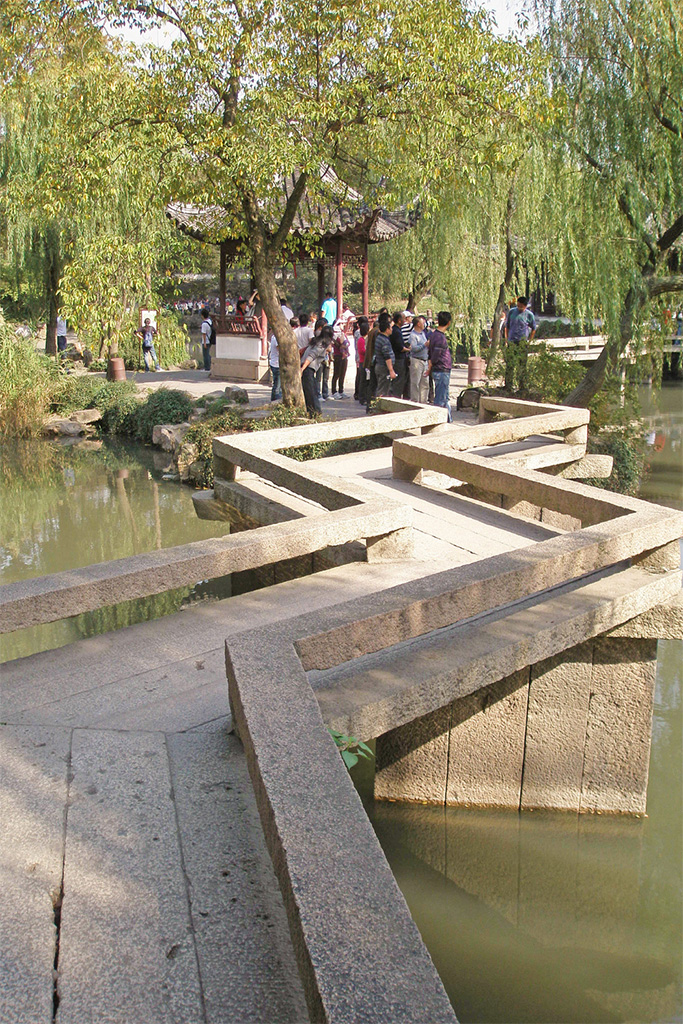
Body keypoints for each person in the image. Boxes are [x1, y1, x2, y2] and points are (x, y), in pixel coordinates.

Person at [504, 296, 536, 390]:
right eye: (518, 306)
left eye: (521, 306)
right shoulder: (512, 312)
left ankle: (522, 386)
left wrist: (529, 340)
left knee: (522, 365)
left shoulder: (529, 315)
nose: (519, 308)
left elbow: (533, 328)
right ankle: (508, 385)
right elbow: (507, 326)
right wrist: (507, 338)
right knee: (510, 364)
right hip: (512, 341)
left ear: (525, 306)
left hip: (522, 342)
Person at [301, 327, 333, 416]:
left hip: (307, 367)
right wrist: (302, 368)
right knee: (311, 393)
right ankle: (315, 412)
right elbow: (311, 356)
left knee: (312, 391)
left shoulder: (316, 341)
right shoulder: (321, 344)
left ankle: (314, 411)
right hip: (308, 368)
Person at [428, 311, 453, 421]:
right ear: (448, 323)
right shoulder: (440, 338)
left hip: (441, 369)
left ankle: (448, 418)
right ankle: (438, 420)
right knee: (441, 397)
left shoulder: (434, 335)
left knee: (445, 395)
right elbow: (435, 355)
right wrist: (431, 365)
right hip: (441, 369)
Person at [374, 312, 399, 397]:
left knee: (383, 388)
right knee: (383, 390)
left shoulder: (379, 338)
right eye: (391, 328)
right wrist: (391, 370)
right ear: (387, 329)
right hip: (383, 367)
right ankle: (377, 407)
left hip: (380, 366)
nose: (392, 329)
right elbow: (387, 356)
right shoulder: (384, 341)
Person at [408, 316, 430, 403]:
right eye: (423, 322)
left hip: (425, 360)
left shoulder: (422, 333)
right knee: (415, 382)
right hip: (416, 360)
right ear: (418, 324)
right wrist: (424, 345)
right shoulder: (413, 335)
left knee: (425, 383)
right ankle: (415, 401)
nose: (424, 324)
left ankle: (423, 401)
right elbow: (413, 348)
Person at [390, 312, 410, 397]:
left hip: (398, 358)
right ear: (399, 320)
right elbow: (400, 347)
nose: (405, 321)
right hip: (398, 358)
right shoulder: (396, 331)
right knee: (399, 380)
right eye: (403, 318)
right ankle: (396, 397)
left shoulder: (396, 330)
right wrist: (408, 349)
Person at [331, 323, 350, 399]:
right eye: (340, 323)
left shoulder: (343, 334)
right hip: (337, 355)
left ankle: (341, 390)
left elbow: (347, 343)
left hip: (344, 355)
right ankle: (334, 391)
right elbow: (340, 343)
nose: (342, 325)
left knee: (342, 373)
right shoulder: (334, 336)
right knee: (337, 373)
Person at [354, 317, 369, 403]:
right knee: (362, 378)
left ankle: (361, 395)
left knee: (363, 378)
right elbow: (361, 350)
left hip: (362, 360)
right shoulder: (360, 338)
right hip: (362, 360)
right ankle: (360, 395)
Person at [269, 332, 281, 401]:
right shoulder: (276, 338)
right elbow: (279, 349)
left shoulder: (273, 336)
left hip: (274, 363)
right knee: (277, 386)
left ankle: (273, 399)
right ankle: (276, 401)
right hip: (276, 364)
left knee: (276, 384)